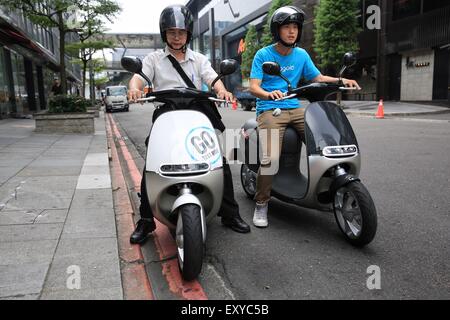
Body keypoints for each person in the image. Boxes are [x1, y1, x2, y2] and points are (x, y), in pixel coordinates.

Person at [128, 4, 251, 244]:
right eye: (172, 32)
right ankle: (146, 220)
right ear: (164, 33)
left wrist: (223, 91)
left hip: (196, 113)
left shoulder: (198, 59)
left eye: (181, 32)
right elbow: (139, 78)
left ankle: (229, 213)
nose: (176, 36)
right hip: (167, 113)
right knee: (152, 162)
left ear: (188, 34)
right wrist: (134, 89)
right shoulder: (154, 59)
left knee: (219, 158)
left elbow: (213, 79)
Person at [249, 6, 360, 228]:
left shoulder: (301, 54)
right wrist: (268, 93)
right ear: (276, 30)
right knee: (271, 158)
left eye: (295, 28)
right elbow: (254, 87)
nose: (292, 32)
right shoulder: (263, 55)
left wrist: (340, 81)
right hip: (271, 109)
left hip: (296, 107)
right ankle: (262, 203)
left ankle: (328, 189)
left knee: (326, 143)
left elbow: (316, 76)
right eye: (286, 27)